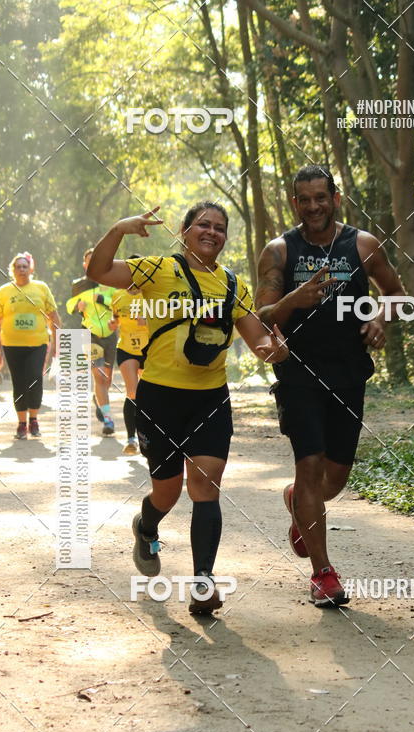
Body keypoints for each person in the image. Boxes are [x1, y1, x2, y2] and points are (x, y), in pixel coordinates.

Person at [87, 201, 288, 614]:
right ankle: (146, 528)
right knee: (167, 491)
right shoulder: (157, 269)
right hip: (159, 398)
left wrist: (276, 351)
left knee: (205, 485)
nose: (211, 232)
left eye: (219, 227)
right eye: (203, 224)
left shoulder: (233, 286)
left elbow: (258, 343)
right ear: (185, 231)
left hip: (210, 399)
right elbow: (99, 271)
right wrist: (119, 228)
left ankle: (203, 583)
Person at [255, 164, 405, 608]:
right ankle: (323, 573)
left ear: (335, 198)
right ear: (294, 203)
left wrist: (381, 318)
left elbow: (397, 294)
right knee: (309, 465)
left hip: (349, 372)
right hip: (299, 374)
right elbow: (261, 318)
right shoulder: (279, 251)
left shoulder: (362, 245)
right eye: (305, 199)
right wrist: (290, 301)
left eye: (321, 197)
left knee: (333, 479)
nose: (314, 206)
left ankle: (298, 504)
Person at [0, 253, 60, 438]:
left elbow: (53, 316)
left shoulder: (41, 288)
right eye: (18, 267)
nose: (22, 270)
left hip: (37, 343)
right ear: (12, 270)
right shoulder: (4, 291)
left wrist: (57, 343)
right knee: (19, 383)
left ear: (31, 269)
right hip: (12, 344)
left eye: (25, 266)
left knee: (34, 378)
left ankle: (34, 420)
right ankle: (22, 424)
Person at [67, 248, 116, 435]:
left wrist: (101, 298)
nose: (93, 263)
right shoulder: (78, 285)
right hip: (89, 334)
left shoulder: (110, 281)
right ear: (85, 264)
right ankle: (109, 421)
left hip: (110, 334)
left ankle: (100, 400)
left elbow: (118, 302)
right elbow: (70, 305)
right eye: (89, 261)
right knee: (100, 377)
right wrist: (77, 306)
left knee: (107, 379)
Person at [109, 258, 148, 454]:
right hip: (126, 349)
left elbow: (166, 319)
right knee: (132, 392)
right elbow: (115, 318)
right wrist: (112, 324)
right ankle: (131, 439)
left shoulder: (151, 294)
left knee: (150, 394)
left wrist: (147, 321)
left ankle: (149, 435)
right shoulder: (118, 296)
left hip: (150, 350)